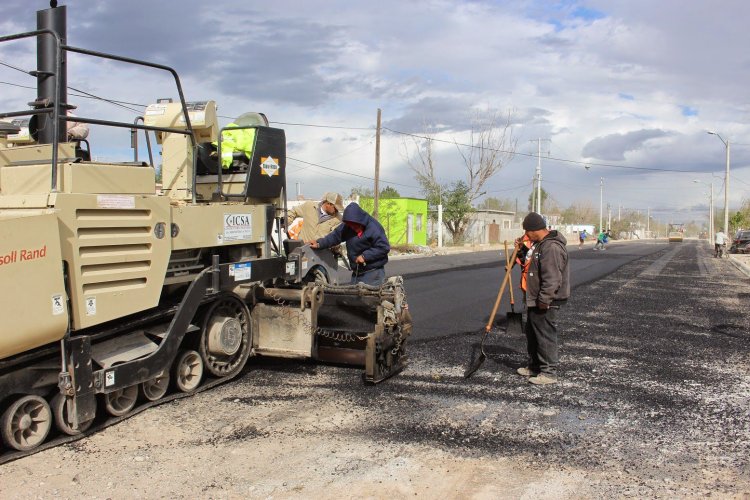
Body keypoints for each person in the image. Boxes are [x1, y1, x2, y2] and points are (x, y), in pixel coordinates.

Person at [515, 212, 570, 385]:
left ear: (532, 230)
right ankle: (535, 366)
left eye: (526, 231)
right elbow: (531, 264)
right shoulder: (539, 245)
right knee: (533, 332)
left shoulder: (551, 247)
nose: (525, 235)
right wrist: (521, 250)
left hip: (546, 299)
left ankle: (548, 373)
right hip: (535, 297)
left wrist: (545, 299)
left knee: (544, 334)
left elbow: (552, 278)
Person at [308, 203, 390, 286]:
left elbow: (384, 247)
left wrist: (365, 256)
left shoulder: (374, 227)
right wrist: (319, 243)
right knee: (354, 297)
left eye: (354, 225)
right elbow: (335, 236)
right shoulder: (348, 226)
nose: (352, 227)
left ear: (359, 220)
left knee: (370, 298)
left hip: (373, 272)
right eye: (349, 225)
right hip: (357, 272)